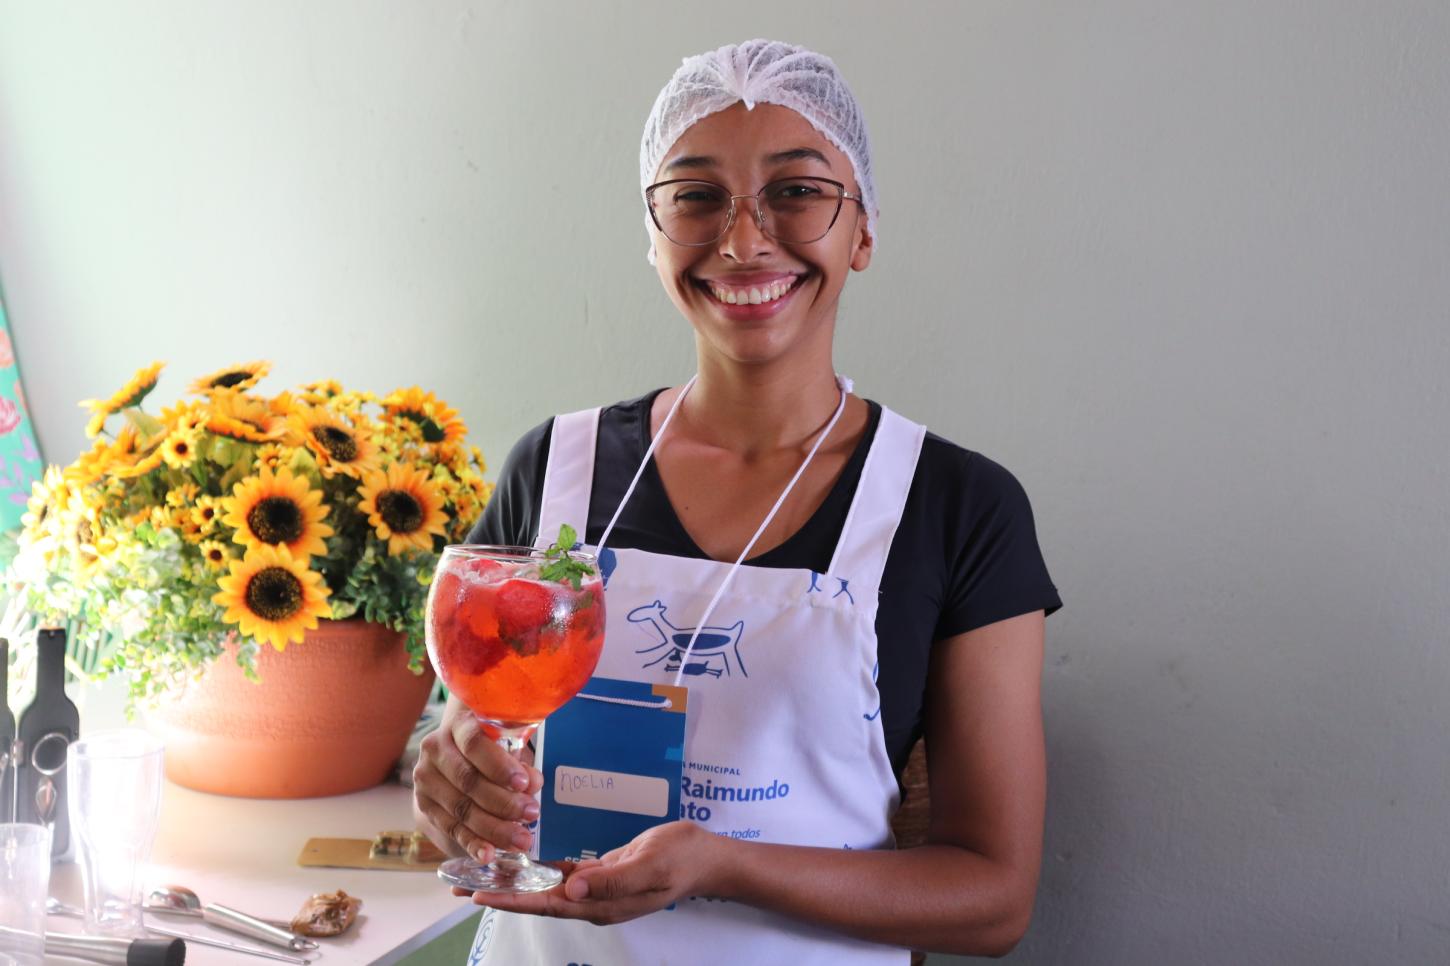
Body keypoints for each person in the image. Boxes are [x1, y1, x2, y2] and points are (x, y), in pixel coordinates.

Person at [413, 38, 1062, 962]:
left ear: (863, 231)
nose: (743, 240)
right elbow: (469, 756)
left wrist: (726, 865)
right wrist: (452, 792)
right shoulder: (553, 466)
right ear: (653, 235)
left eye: (796, 191)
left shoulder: (960, 507)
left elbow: (993, 901)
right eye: (696, 196)